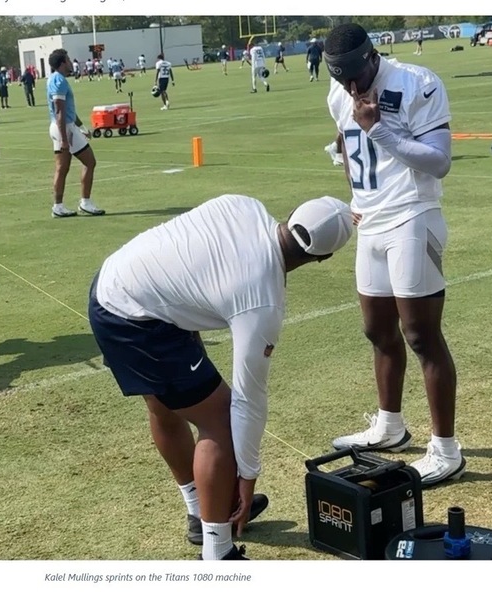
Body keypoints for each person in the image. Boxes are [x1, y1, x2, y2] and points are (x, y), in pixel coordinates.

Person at [89, 194, 353, 560]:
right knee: (221, 420)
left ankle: (201, 511)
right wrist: (247, 477)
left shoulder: (243, 204)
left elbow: (191, 254)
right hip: (135, 316)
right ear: (324, 257)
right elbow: (247, 399)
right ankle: (217, 552)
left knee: (167, 405)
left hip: (116, 280)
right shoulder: (263, 302)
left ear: (292, 215)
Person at [323, 23, 464, 487]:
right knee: (377, 329)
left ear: (372, 57)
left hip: (413, 214)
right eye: (340, 78)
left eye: (355, 76)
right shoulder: (339, 91)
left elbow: (439, 161)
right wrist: (355, 198)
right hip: (373, 222)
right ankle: (390, 425)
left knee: (421, 335)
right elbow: (346, 145)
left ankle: (446, 449)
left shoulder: (416, 82)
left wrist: (378, 129)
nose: (351, 87)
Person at [46, 48, 105, 219]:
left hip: (60, 127)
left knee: (62, 168)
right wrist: (66, 138)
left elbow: (66, 110)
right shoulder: (59, 81)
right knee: (90, 162)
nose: (71, 62)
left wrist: (81, 126)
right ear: (63, 62)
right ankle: (85, 202)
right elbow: (60, 112)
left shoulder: (54, 79)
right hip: (64, 128)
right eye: (69, 59)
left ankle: (58, 206)